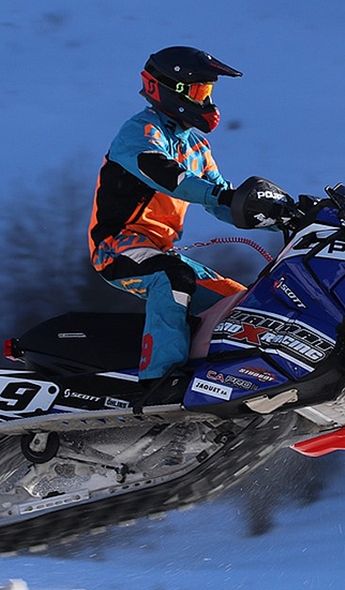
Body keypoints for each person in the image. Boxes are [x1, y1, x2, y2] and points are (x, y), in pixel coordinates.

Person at [88, 46, 293, 402]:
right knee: (172, 277)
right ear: (170, 89)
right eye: (199, 91)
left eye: (208, 92)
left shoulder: (196, 145)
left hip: (161, 250)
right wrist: (222, 198)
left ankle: (235, 381)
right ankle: (158, 384)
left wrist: (284, 214)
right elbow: (166, 175)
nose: (207, 100)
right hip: (117, 246)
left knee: (242, 301)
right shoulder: (140, 130)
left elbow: (223, 200)